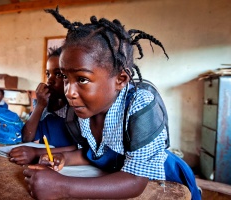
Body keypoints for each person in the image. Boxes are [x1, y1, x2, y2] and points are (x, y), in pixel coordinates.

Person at [23, 7, 201, 200]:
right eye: (66, 77)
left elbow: (135, 180)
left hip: (163, 184)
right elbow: (97, 154)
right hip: (115, 180)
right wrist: (64, 158)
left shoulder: (139, 105)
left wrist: (62, 186)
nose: (69, 92)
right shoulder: (83, 110)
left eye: (82, 79)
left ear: (121, 79)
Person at [9, 46, 76, 165]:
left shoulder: (77, 109)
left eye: (58, 74)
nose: (50, 80)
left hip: (69, 166)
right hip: (46, 164)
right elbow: (27, 138)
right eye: (48, 74)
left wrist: (36, 152)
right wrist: (39, 106)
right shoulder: (45, 105)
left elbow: (79, 148)